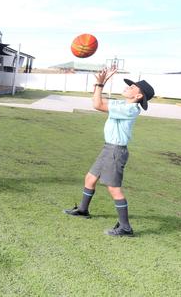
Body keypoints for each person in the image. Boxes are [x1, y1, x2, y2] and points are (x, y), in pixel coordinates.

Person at [63, 67, 155, 237]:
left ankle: (125, 228)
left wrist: (100, 83)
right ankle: (83, 209)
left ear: (138, 96)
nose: (129, 87)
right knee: (90, 178)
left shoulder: (131, 109)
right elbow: (97, 101)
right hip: (108, 148)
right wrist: (101, 84)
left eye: (133, 87)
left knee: (114, 188)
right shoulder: (122, 104)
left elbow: (97, 105)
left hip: (116, 151)